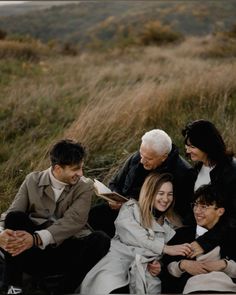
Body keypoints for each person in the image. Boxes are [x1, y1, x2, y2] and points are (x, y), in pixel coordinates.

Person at [0, 139, 110, 295]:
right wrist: (1, 234)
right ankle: (13, 287)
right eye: (75, 169)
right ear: (58, 168)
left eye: (81, 168)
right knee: (14, 218)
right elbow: (13, 210)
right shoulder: (32, 180)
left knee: (100, 240)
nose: (80, 173)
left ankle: (61, 290)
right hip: (31, 251)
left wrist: (36, 238)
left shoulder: (84, 186)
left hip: (65, 249)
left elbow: (74, 221)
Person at [80, 173, 193, 294]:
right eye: (161, 193)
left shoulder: (172, 225)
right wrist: (164, 248)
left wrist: (159, 266)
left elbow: (167, 261)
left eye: (169, 194)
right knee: (109, 285)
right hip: (118, 263)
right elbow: (133, 234)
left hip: (146, 272)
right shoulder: (131, 208)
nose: (165, 199)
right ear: (150, 193)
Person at [89, 129, 195, 237]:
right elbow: (115, 183)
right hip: (122, 209)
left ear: (164, 157)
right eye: (141, 154)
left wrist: (137, 209)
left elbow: (180, 211)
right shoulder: (139, 156)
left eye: (148, 158)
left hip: (150, 220)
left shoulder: (184, 173)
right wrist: (114, 199)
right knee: (93, 215)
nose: (142, 161)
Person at [162, 184, 236, 294]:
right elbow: (167, 268)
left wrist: (225, 265)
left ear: (220, 211)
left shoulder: (231, 236)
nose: (197, 211)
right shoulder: (181, 234)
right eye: (196, 205)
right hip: (193, 289)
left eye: (204, 206)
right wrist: (182, 265)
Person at [182, 119, 236, 256]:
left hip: (223, 245)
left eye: (192, 146)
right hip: (195, 238)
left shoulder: (231, 172)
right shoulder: (197, 169)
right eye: (187, 146)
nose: (187, 150)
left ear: (206, 146)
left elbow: (233, 218)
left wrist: (204, 243)